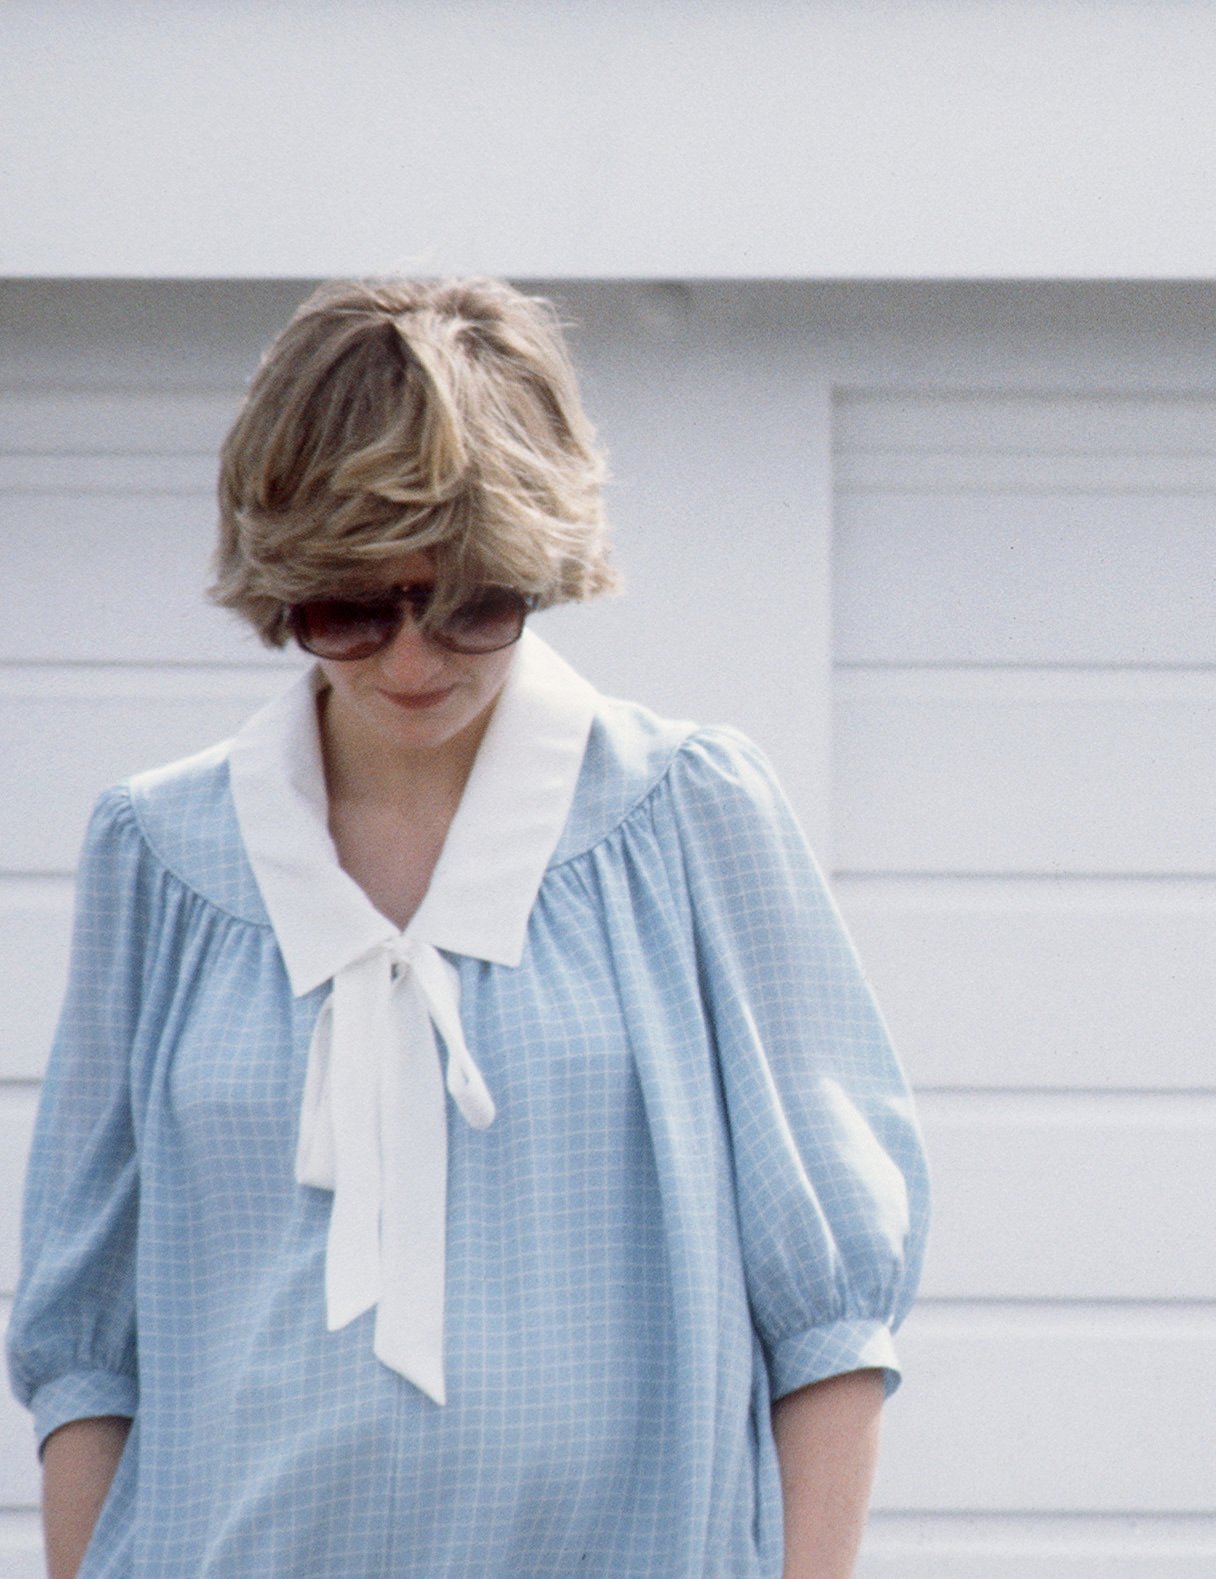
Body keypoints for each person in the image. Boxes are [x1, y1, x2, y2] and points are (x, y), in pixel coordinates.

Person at [8, 277, 929, 1578]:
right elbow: (85, 1339)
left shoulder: (687, 818)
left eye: (471, 602)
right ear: (282, 583)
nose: (410, 660)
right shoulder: (158, 856)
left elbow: (831, 1310)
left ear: (540, 569)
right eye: (350, 605)